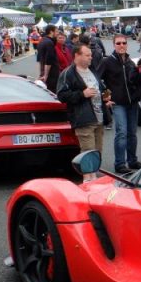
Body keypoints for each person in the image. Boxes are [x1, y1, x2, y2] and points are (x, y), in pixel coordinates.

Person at [56, 44, 110, 181]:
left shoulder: (92, 70)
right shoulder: (68, 73)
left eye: (90, 55)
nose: (91, 58)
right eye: (87, 55)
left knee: (97, 151)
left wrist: (105, 98)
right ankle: (87, 179)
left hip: (98, 116)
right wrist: (82, 94)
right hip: (83, 118)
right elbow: (61, 95)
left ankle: (94, 177)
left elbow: (101, 88)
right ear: (77, 56)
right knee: (87, 150)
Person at [100, 35, 141, 174]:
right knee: (122, 132)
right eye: (118, 43)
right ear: (114, 45)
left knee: (132, 133)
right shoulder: (107, 62)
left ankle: (132, 160)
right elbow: (97, 80)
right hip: (118, 103)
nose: (121, 45)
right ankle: (119, 163)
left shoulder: (130, 62)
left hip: (132, 103)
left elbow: (136, 81)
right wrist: (106, 97)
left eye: (124, 43)